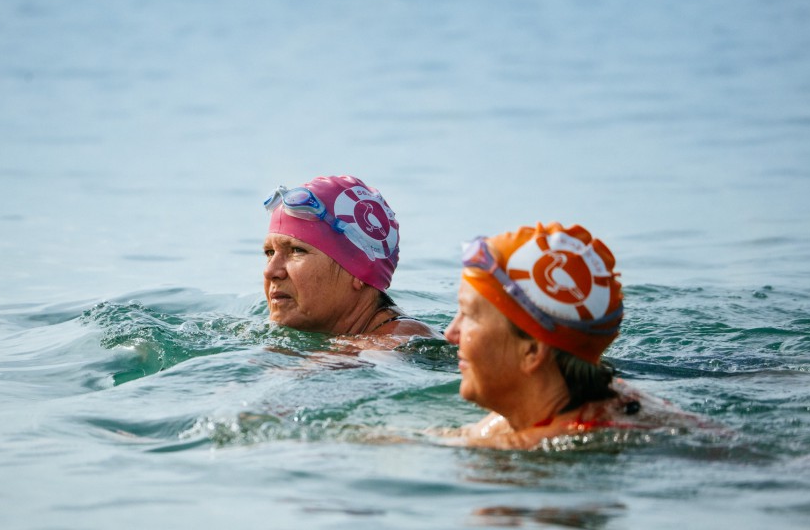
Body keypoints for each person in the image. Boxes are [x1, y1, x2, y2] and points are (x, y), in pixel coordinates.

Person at [443, 222, 691, 449]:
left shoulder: (562, 440)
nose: (450, 332)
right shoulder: (581, 401)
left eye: (468, 314)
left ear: (532, 350)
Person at [262, 175, 439, 344]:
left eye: (296, 250)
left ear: (359, 269)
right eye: (269, 253)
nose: (270, 271)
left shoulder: (398, 338)